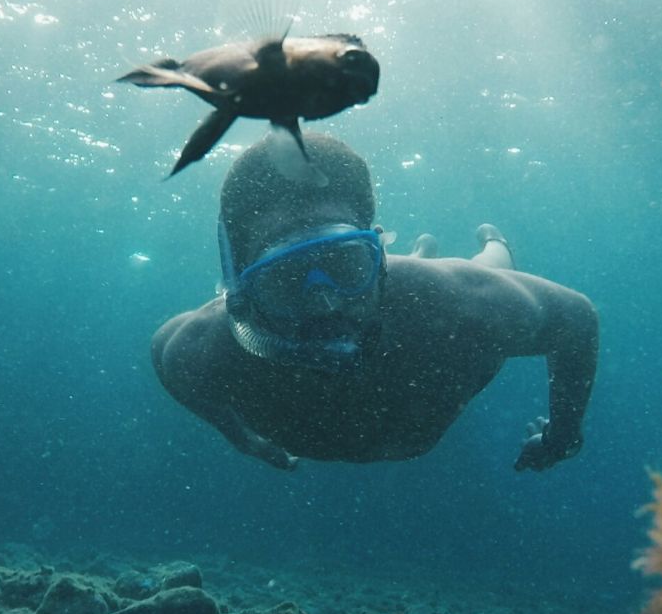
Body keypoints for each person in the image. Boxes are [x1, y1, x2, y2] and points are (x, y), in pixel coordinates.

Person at [151, 133, 599, 470]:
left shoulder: (459, 301)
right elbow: (166, 360)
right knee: (436, 281)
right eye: (286, 279)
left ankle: (495, 244)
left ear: (378, 257)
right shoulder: (198, 350)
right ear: (239, 288)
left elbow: (577, 318)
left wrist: (562, 437)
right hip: (419, 298)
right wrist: (244, 440)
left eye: (346, 264)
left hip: (430, 294)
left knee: (485, 271)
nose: (326, 305)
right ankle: (404, 255)